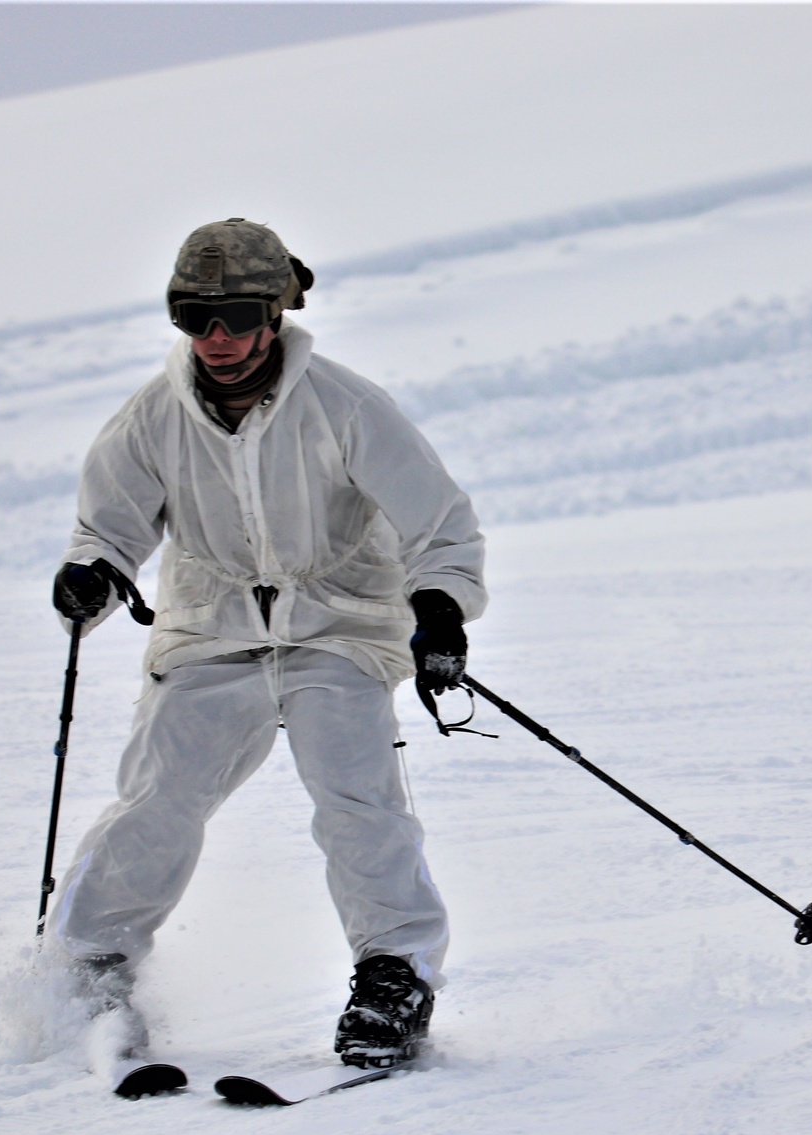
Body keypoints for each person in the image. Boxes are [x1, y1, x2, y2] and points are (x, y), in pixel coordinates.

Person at [50, 217, 486, 1082]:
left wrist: (438, 609)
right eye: (193, 317)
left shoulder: (345, 406)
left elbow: (440, 526)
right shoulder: (152, 418)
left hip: (338, 630)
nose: (216, 338)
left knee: (357, 798)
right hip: (210, 633)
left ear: (277, 311)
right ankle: (89, 968)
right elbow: (107, 525)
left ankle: (393, 976)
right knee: (158, 797)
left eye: (237, 314)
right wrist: (90, 575)